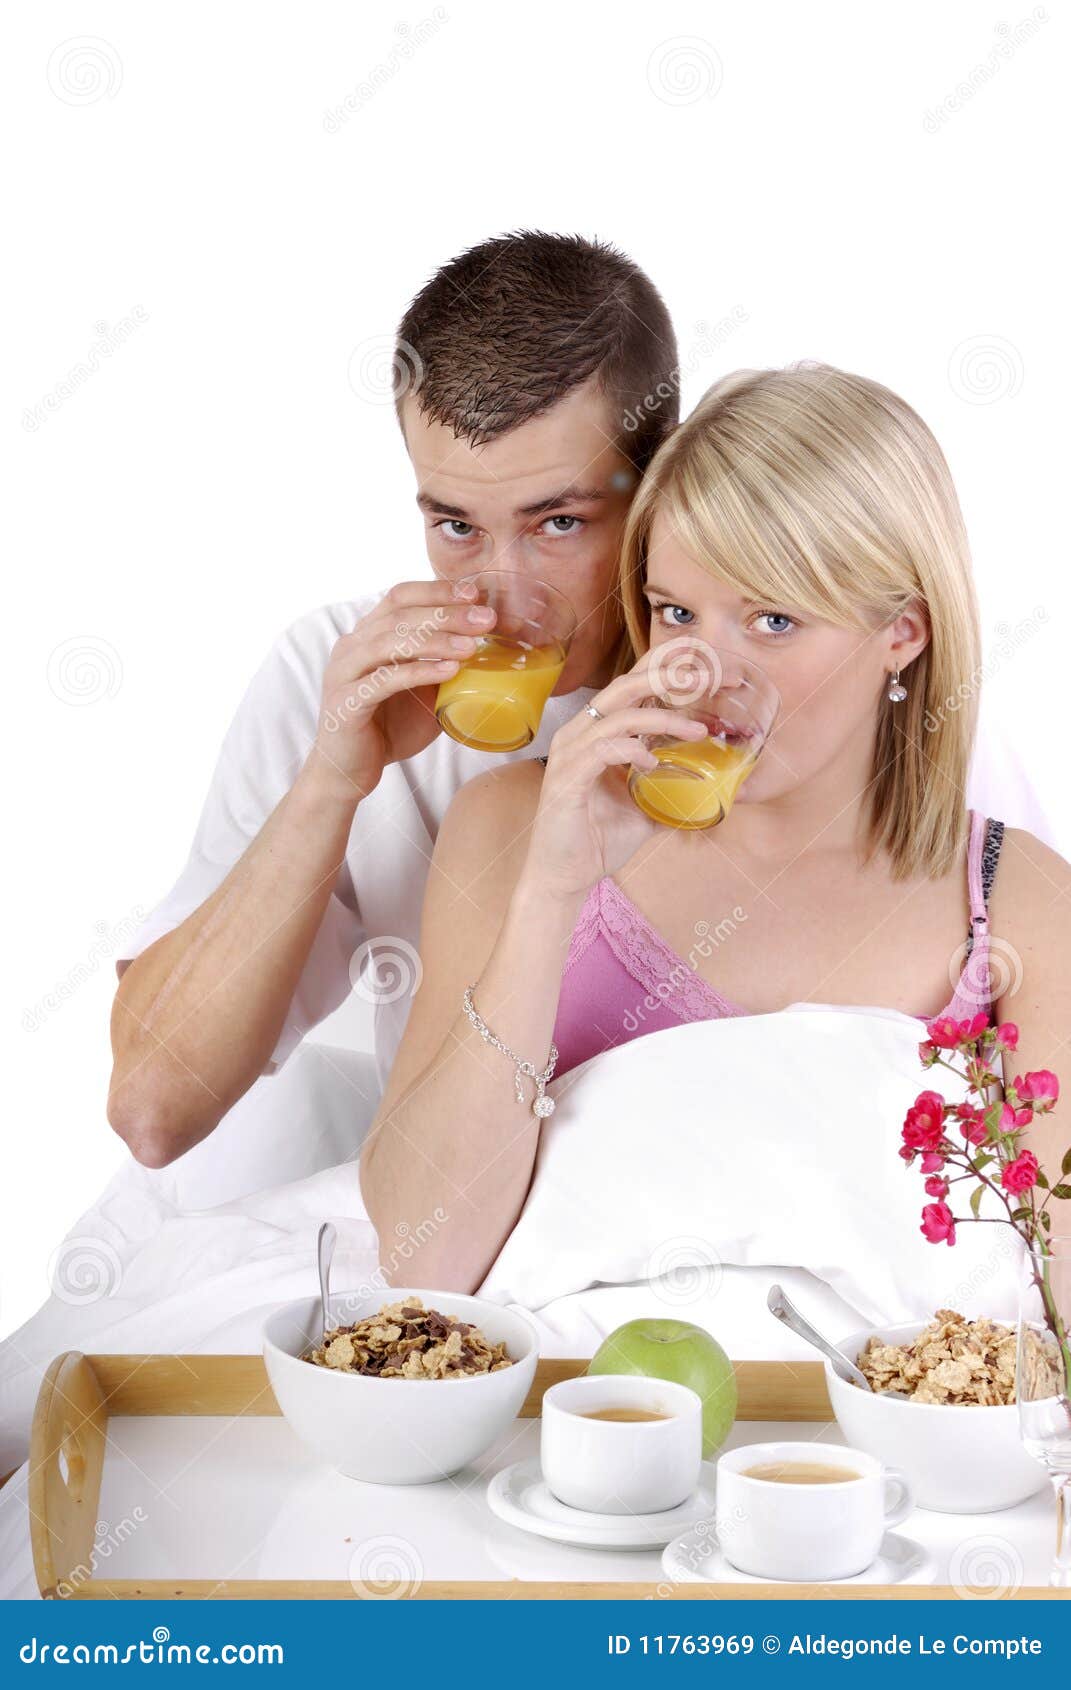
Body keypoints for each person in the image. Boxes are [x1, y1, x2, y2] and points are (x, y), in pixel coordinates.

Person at [359, 364, 1071, 1293]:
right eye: (675, 612)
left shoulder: (1014, 903)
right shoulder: (513, 827)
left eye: (772, 620)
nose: (701, 674)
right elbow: (425, 1260)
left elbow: (1054, 1303)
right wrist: (550, 896)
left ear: (903, 632)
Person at [106, 232, 679, 1167]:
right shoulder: (337, 677)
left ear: (661, 483)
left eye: (559, 523)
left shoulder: (759, 686)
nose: (497, 589)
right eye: (456, 525)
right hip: (445, 1227)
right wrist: (333, 782)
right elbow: (153, 1109)